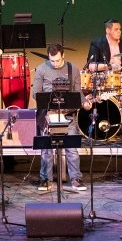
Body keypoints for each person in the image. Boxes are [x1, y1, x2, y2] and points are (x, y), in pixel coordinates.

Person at [32, 44, 94, 192]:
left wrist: (85, 102)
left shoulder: (73, 69)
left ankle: (76, 179)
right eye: (52, 61)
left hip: (67, 115)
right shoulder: (41, 69)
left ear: (63, 56)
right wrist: (50, 103)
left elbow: (77, 93)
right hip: (48, 115)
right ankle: (45, 179)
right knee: (46, 150)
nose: (55, 63)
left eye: (58, 60)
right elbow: (35, 94)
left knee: (71, 148)